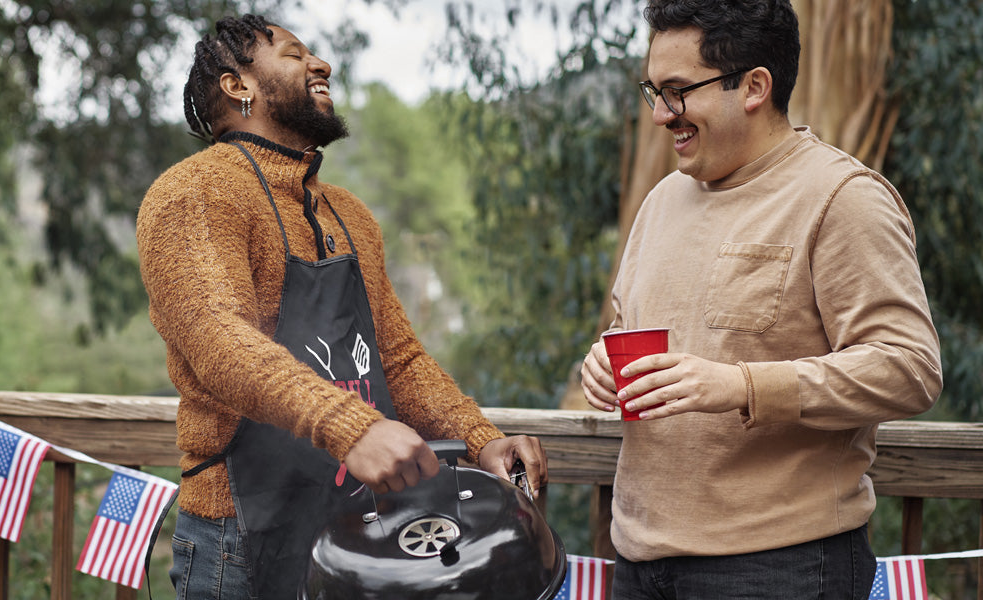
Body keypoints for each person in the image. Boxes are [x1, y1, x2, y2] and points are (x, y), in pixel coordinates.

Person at [135, 14, 547, 600]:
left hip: (360, 534)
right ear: (237, 85)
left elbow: (399, 360)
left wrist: (481, 439)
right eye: (295, 54)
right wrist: (352, 429)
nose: (321, 64)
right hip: (238, 542)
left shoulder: (348, 215)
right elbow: (218, 340)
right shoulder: (193, 193)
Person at [578, 1, 942, 598]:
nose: (660, 116)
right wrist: (599, 361)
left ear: (753, 86)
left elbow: (909, 369)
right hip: (638, 561)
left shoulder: (843, 198)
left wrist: (743, 386)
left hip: (781, 569)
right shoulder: (661, 201)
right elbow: (629, 326)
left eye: (677, 92)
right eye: (654, 92)